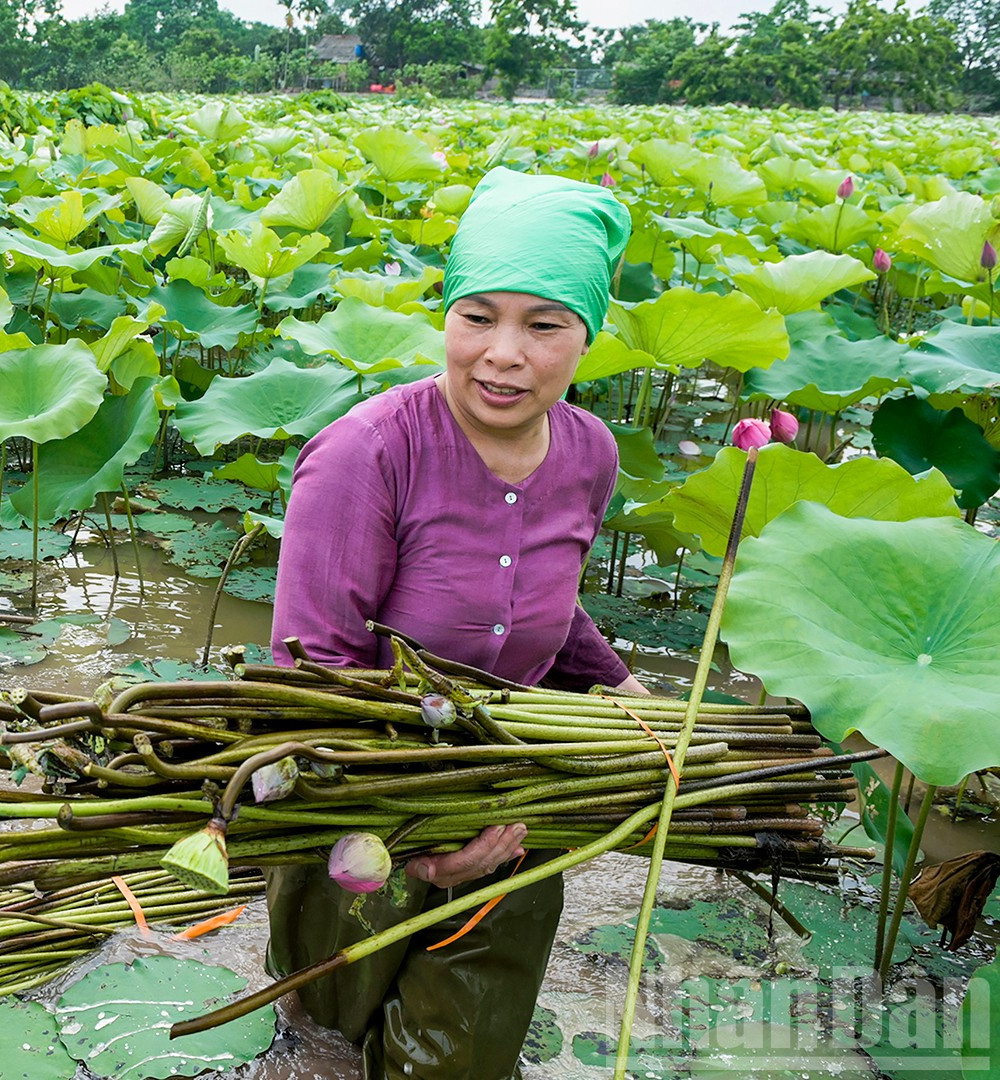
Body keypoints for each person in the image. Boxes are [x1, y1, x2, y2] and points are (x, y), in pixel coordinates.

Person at [267, 167, 651, 1079]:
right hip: (359, 800)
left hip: (515, 796)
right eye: (477, 317)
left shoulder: (590, 451)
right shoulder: (368, 451)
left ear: (587, 335)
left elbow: (544, 596)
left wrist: (634, 700)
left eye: (543, 324)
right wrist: (418, 840)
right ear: (446, 315)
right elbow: (310, 665)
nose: (504, 354)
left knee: (461, 1059)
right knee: (323, 1043)